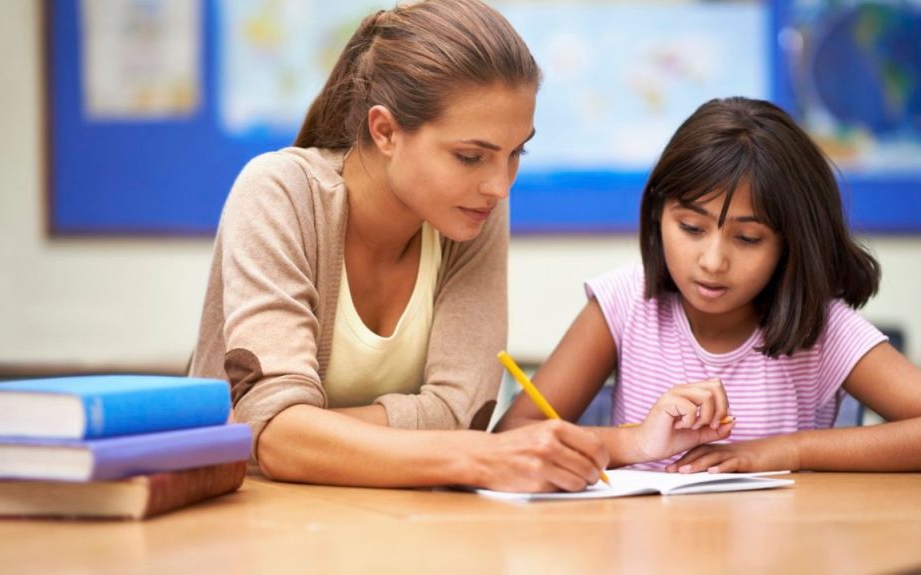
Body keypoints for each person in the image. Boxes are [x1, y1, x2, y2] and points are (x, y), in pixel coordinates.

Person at [190, 0, 608, 492]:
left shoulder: (471, 211)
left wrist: (300, 429)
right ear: (385, 131)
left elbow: (460, 415)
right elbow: (278, 437)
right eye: (471, 156)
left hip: (400, 519)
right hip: (252, 518)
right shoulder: (279, 192)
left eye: (516, 152)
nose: (500, 185)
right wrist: (473, 458)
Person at [497, 97, 921, 473]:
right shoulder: (625, 303)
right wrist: (632, 444)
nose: (713, 261)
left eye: (748, 238)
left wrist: (786, 449)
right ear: (657, 216)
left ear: (791, 241)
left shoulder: (820, 329)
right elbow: (513, 437)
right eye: (691, 229)